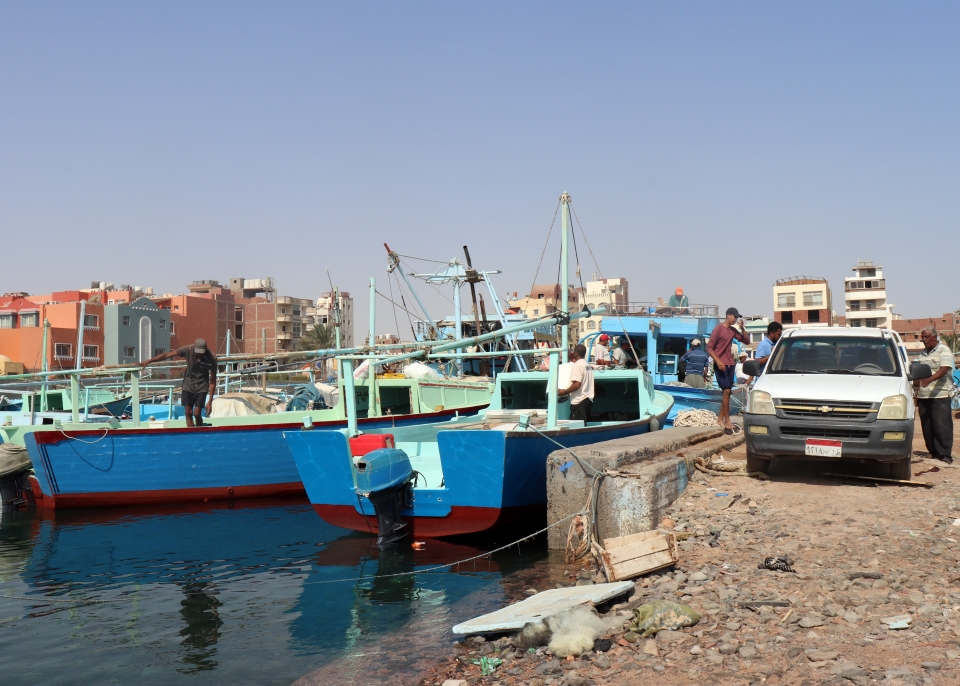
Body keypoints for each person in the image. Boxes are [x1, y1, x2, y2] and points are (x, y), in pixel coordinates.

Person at [142, 338, 218, 428]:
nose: (199, 355)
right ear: (194, 348)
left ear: (206, 349)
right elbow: (166, 355)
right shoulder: (188, 349)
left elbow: (213, 380)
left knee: (197, 413)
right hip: (188, 384)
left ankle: (199, 430)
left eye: (201, 352)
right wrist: (148, 361)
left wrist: (210, 401)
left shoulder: (212, 358)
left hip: (202, 385)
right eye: (197, 352)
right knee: (188, 412)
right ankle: (191, 432)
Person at [914, 326, 955, 463]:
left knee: (942, 425)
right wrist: (915, 392)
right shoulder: (922, 354)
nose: (924, 340)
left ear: (934, 337)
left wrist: (929, 380)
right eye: (922, 337)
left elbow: (944, 369)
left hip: (940, 395)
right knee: (927, 425)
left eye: (926, 337)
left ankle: (944, 454)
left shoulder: (944, 350)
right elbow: (917, 372)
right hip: (924, 395)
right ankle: (932, 451)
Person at [707, 307, 749, 433]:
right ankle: (727, 421)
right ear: (728, 315)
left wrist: (742, 328)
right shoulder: (718, 329)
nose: (736, 319)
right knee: (726, 391)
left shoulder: (732, 330)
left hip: (731, 364)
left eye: (737, 317)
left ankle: (720, 419)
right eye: (734, 317)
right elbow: (709, 348)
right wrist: (718, 361)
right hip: (721, 364)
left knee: (727, 392)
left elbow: (746, 341)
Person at [559, 344, 594, 422]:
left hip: (579, 401)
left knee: (578, 427)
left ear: (576, 354)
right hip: (588, 400)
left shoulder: (578, 366)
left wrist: (563, 392)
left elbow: (577, 384)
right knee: (573, 424)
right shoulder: (587, 365)